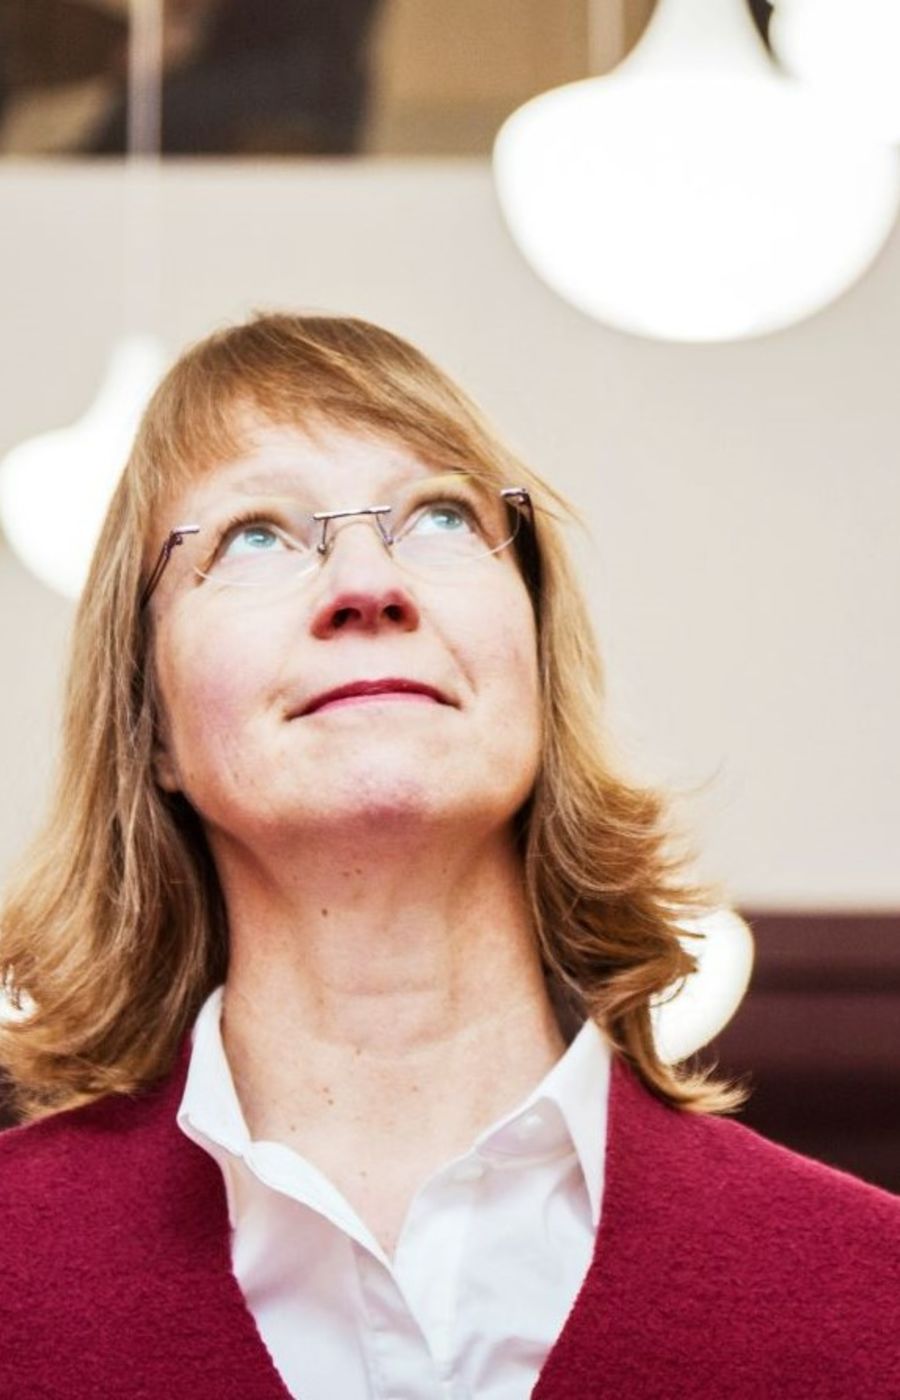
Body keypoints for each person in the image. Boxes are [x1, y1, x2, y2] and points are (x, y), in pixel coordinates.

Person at [0, 313, 897, 1399]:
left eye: (440, 515)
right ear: (150, 721)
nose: (367, 583)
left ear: (535, 661)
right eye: (255, 534)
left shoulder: (875, 1295)